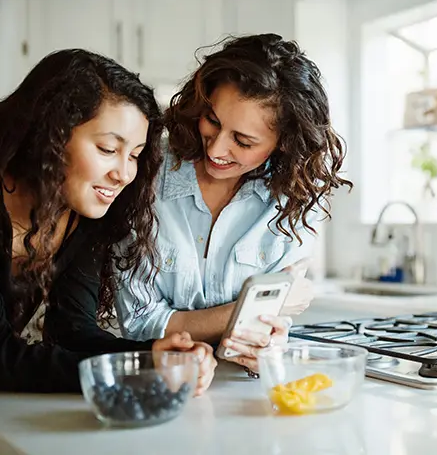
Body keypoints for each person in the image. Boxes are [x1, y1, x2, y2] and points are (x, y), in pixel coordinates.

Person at [0, 49, 216, 455]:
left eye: (134, 155)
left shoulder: (85, 214)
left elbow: (72, 331)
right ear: (51, 133)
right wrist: (136, 375)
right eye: (107, 149)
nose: (124, 173)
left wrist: (152, 357)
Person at [115, 34, 352, 373]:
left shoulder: (296, 197)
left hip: (244, 387)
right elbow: (139, 321)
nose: (215, 150)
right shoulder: (145, 171)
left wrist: (268, 342)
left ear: (283, 143)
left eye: (242, 141)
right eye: (212, 120)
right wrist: (240, 314)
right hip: (156, 380)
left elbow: (267, 322)